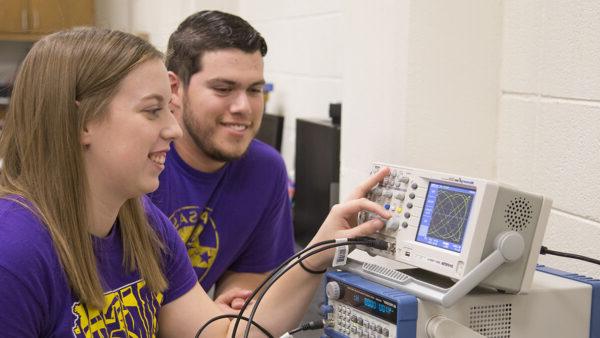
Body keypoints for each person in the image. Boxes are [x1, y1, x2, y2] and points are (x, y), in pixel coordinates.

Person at [0, 27, 391, 337]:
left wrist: (320, 250)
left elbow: (225, 334)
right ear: (82, 122)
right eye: (153, 111)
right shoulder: (14, 253)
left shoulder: (144, 225)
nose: (173, 129)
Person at [148, 10, 294, 313]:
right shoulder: (139, 161)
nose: (244, 107)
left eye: (255, 90)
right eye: (223, 89)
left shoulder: (265, 170)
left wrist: (230, 305)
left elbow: (250, 275)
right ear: (174, 89)